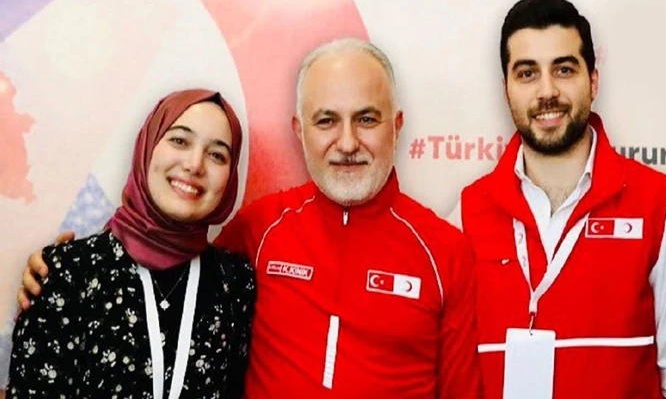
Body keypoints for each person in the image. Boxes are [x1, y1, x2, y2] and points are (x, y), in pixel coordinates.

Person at [15, 39, 482, 398]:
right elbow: (164, 259)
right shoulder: (261, 227)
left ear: (396, 126)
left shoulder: (445, 251)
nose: (346, 143)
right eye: (326, 121)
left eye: (366, 119)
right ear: (299, 131)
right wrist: (69, 269)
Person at [448, 0, 666, 398]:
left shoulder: (663, 204)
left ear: (594, 81)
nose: (547, 91)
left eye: (564, 69)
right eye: (527, 73)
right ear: (506, 90)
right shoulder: (465, 215)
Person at [7, 89, 254, 399]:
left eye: (217, 155)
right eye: (180, 140)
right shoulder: (68, 271)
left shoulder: (235, 282)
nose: (195, 165)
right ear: (147, 147)